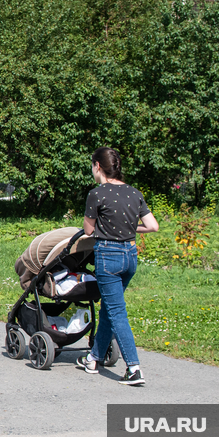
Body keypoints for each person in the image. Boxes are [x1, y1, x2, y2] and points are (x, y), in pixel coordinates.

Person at [77, 147, 159, 385]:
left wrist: (107, 229)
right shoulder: (135, 193)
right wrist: (127, 228)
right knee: (110, 309)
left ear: (97, 166)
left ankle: (134, 368)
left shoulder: (97, 193)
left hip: (109, 257)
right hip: (130, 257)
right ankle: (93, 358)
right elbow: (152, 226)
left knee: (116, 311)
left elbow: (89, 230)